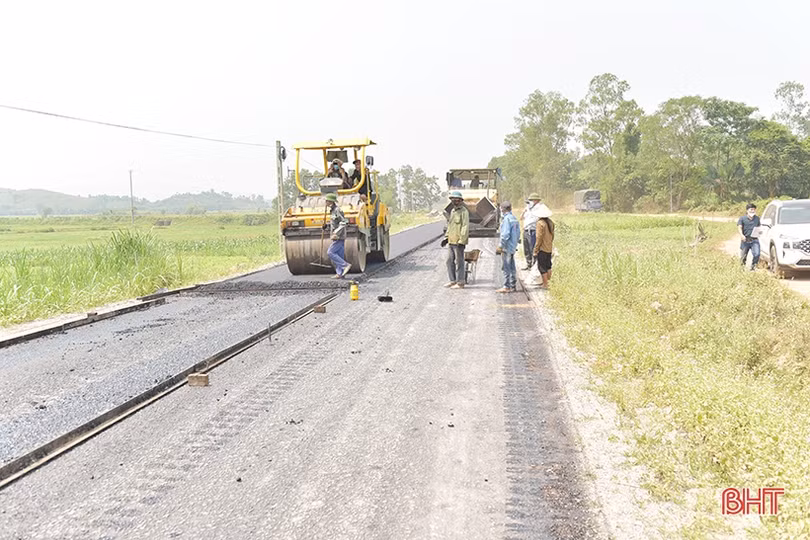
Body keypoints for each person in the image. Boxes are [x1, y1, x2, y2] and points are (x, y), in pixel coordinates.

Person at [441, 190, 469, 289]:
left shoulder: (464, 212)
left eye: (457, 200)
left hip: (458, 242)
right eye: (453, 200)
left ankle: (460, 282)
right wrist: (446, 237)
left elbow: (465, 226)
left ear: (460, 201)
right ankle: (452, 281)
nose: (455, 202)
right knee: (449, 261)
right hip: (451, 241)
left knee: (459, 262)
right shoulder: (452, 211)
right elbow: (450, 225)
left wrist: (462, 240)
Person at [324, 192, 351, 278]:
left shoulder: (337, 210)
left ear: (331, 202)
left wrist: (336, 232)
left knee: (330, 252)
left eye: (327, 201)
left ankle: (345, 265)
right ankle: (340, 273)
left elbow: (343, 222)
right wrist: (327, 226)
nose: (326, 202)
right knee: (339, 255)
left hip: (339, 236)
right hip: (337, 236)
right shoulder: (332, 211)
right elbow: (335, 223)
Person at [495, 201, 520, 293]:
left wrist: (501, 246)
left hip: (507, 246)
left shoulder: (506, 220)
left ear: (502, 209)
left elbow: (505, 235)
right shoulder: (514, 218)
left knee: (506, 267)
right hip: (513, 246)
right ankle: (513, 285)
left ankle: (506, 286)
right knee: (512, 266)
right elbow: (518, 233)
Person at [532, 203, 555, 289]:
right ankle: (549, 282)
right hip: (549, 248)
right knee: (548, 265)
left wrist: (536, 249)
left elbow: (539, 237)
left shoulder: (540, 223)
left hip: (542, 248)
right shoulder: (550, 222)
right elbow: (552, 236)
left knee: (542, 267)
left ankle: (545, 284)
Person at [520, 193, 542, 270]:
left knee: (533, 248)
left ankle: (534, 265)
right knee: (526, 248)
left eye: (531, 200)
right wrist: (524, 211)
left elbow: (536, 220)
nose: (530, 202)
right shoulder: (528, 208)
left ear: (536, 200)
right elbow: (521, 218)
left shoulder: (539, 209)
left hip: (533, 231)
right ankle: (528, 264)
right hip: (526, 230)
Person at [738, 203, 761, 270]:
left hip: (754, 240)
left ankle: (753, 267)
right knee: (743, 256)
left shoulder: (757, 218)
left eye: (754, 209)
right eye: (751, 209)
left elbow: (759, 227)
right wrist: (741, 235)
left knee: (757, 254)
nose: (752, 211)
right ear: (747, 210)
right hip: (745, 240)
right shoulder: (742, 218)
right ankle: (741, 269)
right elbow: (739, 227)